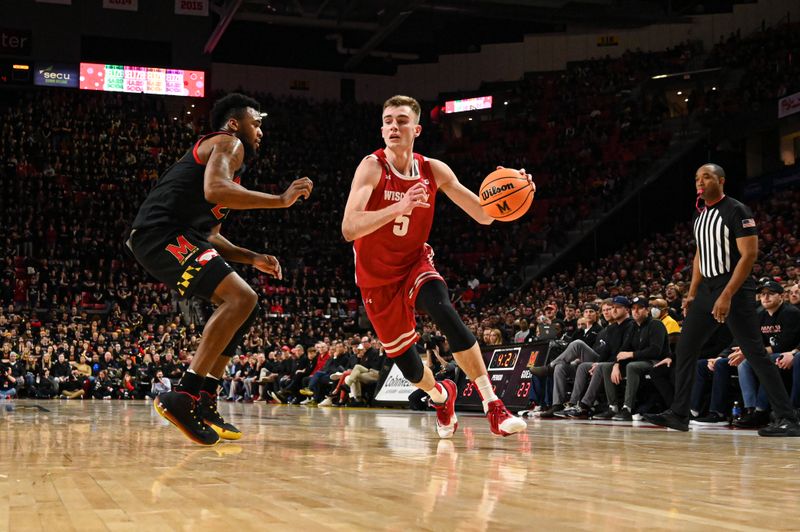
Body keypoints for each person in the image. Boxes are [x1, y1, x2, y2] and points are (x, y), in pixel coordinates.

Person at [127, 93, 313, 445]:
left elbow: (211, 236)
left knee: (249, 303)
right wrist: (280, 200)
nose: (260, 130)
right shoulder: (228, 143)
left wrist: (252, 256)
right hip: (160, 233)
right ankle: (184, 394)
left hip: (174, 235)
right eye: (255, 122)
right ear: (234, 123)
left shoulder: (230, 171)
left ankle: (206, 397)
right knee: (239, 297)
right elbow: (215, 190)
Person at [341, 94, 529, 438]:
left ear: (417, 128)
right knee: (409, 365)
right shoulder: (372, 166)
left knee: (443, 309)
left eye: (400, 120)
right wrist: (398, 208)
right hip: (377, 279)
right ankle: (441, 396)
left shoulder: (433, 169)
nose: (393, 126)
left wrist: (513, 191)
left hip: (414, 262)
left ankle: (494, 406)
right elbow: (349, 227)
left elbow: (483, 215)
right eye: (387, 121)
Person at [645, 164, 800, 436]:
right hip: (706, 290)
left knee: (754, 353)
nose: (700, 182)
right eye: (696, 178)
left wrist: (726, 295)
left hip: (735, 289)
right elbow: (699, 256)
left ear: (721, 180)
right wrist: (692, 292)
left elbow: (749, 255)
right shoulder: (699, 216)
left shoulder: (737, 210)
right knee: (685, 349)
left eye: (706, 176)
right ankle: (680, 413)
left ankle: (788, 418)